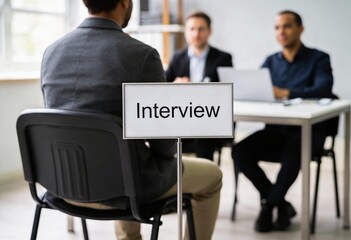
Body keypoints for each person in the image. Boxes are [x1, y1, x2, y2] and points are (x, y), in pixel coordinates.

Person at [40, 1, 222, 239]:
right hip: (123, 188)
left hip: (62, 184)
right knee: (212, 175)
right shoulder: (141, 55)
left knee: (123, 161)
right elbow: (164, 147)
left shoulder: (51, 52)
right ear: (125, 2)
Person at [232, 10, 335, 233]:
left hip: (309, 133)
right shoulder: (271, 61)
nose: (281, 32)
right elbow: (257, 89)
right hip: (276, 130)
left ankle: (269, 206)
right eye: (277, 27)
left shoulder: (319, 58)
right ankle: (281, 204)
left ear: (300, 29)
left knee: (293, 150)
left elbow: (324, 89)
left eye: (287, 26)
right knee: (240, 151)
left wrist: (285, 92)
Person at [166, 11, 234, 161]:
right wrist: (175, 84)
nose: (196, 34)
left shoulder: (223, 58)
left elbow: (227, 92)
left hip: (210, 117)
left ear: (209, 31)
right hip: (182, 114)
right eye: (192, 29)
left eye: (201, 29)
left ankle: (204, 179)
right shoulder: (178, 57)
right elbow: (164, 86)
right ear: (186, 32)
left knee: (204, 136)